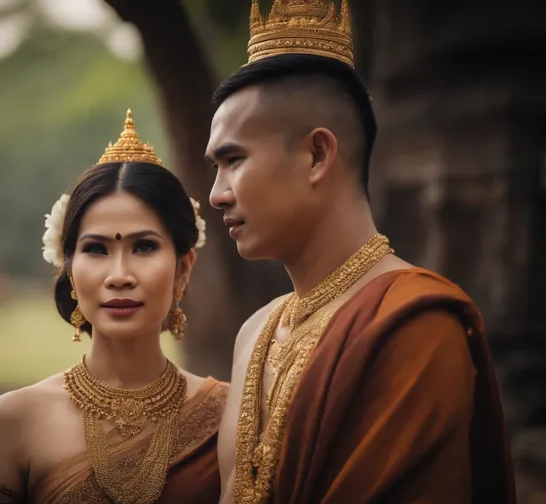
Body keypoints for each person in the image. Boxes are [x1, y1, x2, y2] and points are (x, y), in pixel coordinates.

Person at [205, 1, 516, 503]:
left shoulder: (414, 326)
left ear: (317, 155)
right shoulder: (254, 334)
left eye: (233, 160)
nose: (217, 192)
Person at [0, 109, 227, 504]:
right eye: (96, 249)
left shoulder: (228, 415)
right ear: (68, 267)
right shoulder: (12, 422)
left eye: (144, 247)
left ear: (184, 267)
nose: (119, 274)